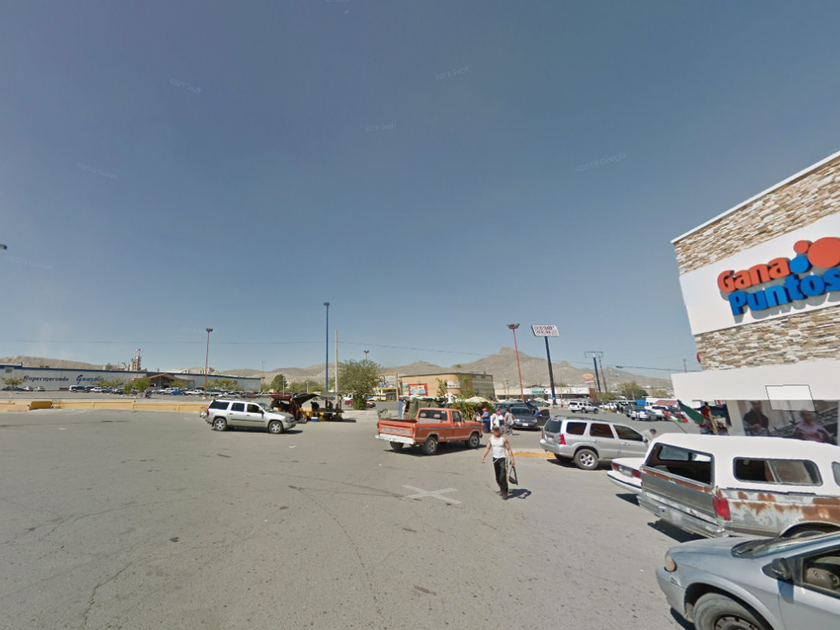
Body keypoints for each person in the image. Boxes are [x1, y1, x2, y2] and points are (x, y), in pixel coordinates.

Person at [481, 425, 515, 499]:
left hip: (503, 459)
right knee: (497, 477)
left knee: (503, 476)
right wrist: (483, 456)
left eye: (497, 430)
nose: (496, 431)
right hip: (495, 459)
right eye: (495, 430)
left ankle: (505, 492)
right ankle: (502, 489)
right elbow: (488, 448)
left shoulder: (503, 439)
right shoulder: (491, 439)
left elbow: (509, 449)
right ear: (493, 431)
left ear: (499, 430)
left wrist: (512, 459)